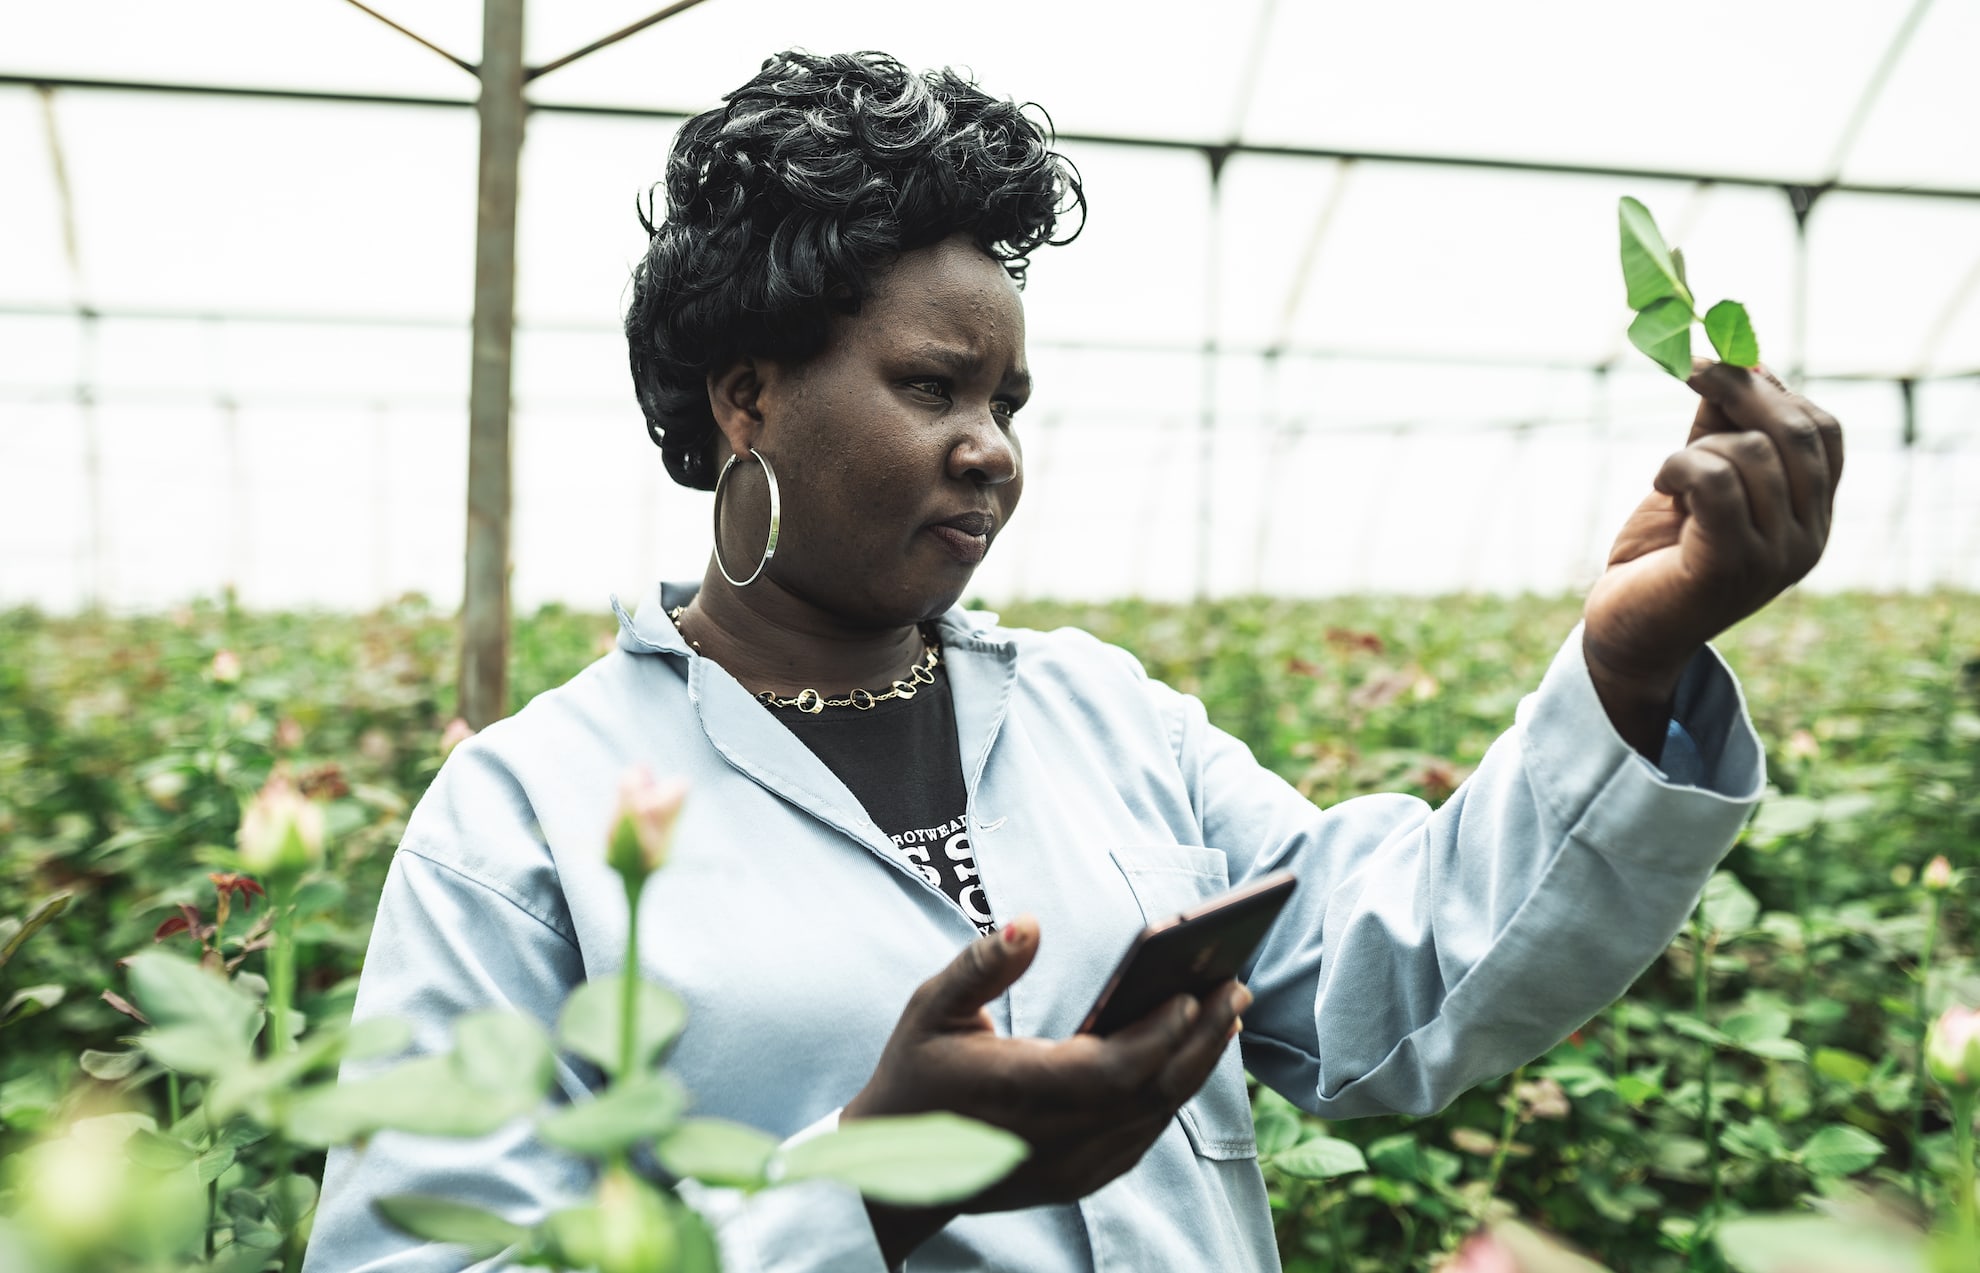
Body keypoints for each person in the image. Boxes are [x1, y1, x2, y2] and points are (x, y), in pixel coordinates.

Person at [305, 49, 1841, 1273]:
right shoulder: (526, 823)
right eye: (932, 386)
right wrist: (868, 1185)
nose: (988, 453)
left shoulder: (1104, 718)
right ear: (747, 398)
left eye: (1012, 402)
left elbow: (1396, 979)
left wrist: (1629, 662)